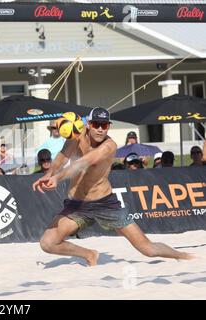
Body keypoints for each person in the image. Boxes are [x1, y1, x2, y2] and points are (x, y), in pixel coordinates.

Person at [33, 107, 193, 266]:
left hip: (105, 204)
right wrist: (49, 174)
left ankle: (184, 255)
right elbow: (62, 157)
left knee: (148, 249)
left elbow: (83, 163)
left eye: (105, 125)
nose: (101, 129)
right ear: (88, 124)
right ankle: (89, 254)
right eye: (96, 124)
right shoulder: (76, 135)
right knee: (48, 243)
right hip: (77, 205)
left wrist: (57, 178)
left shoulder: (110, 146)